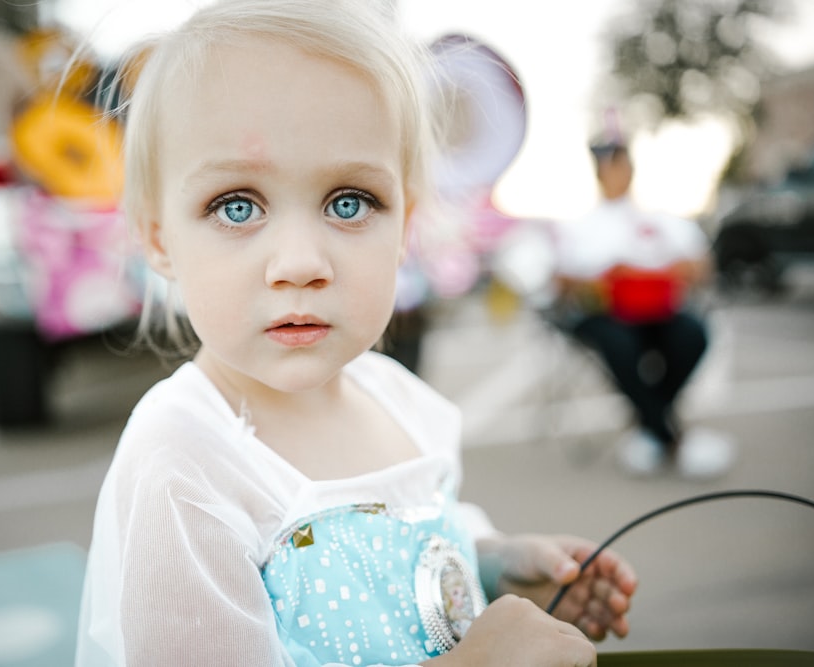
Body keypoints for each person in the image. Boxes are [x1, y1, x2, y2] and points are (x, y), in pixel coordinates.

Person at [75, 2, 637, 664]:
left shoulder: (397, 399)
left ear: (404, 227)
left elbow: (411, 545)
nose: (300, 263)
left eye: (349, 202)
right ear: (158, 238)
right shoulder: (187, 459)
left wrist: (490, 564)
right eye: (237, 205)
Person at [553, 132, 735, 479]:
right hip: (604, 314)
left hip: (657, 309)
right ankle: (670, 436)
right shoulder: (581, 226)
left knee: (693, 333)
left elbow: (701, 266)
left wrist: (671, 270)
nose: (616, 172)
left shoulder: (659, 220)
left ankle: (650, 425)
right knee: (619, 344)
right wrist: (603, 279)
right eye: (609, 165)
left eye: (620, 163)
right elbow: (561, 282)